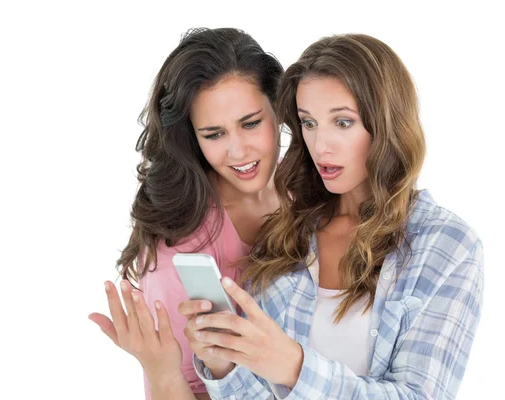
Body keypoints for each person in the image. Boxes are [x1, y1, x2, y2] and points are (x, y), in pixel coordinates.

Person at [183, 33, 484, 399]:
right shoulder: (285, 233)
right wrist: (223, 364)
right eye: (308, 123)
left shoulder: (448, 247)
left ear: (386, 123)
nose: (320, 146)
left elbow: (420, 395)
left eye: (342, 123)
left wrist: (293, 367)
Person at [87, 27, 283, 400]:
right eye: (214, 134)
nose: (238, 152)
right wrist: (159, 371)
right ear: (192, 137)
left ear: (280, 109)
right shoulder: (180, 243)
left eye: (251, 123)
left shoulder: (309, 188)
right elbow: (186, 387)